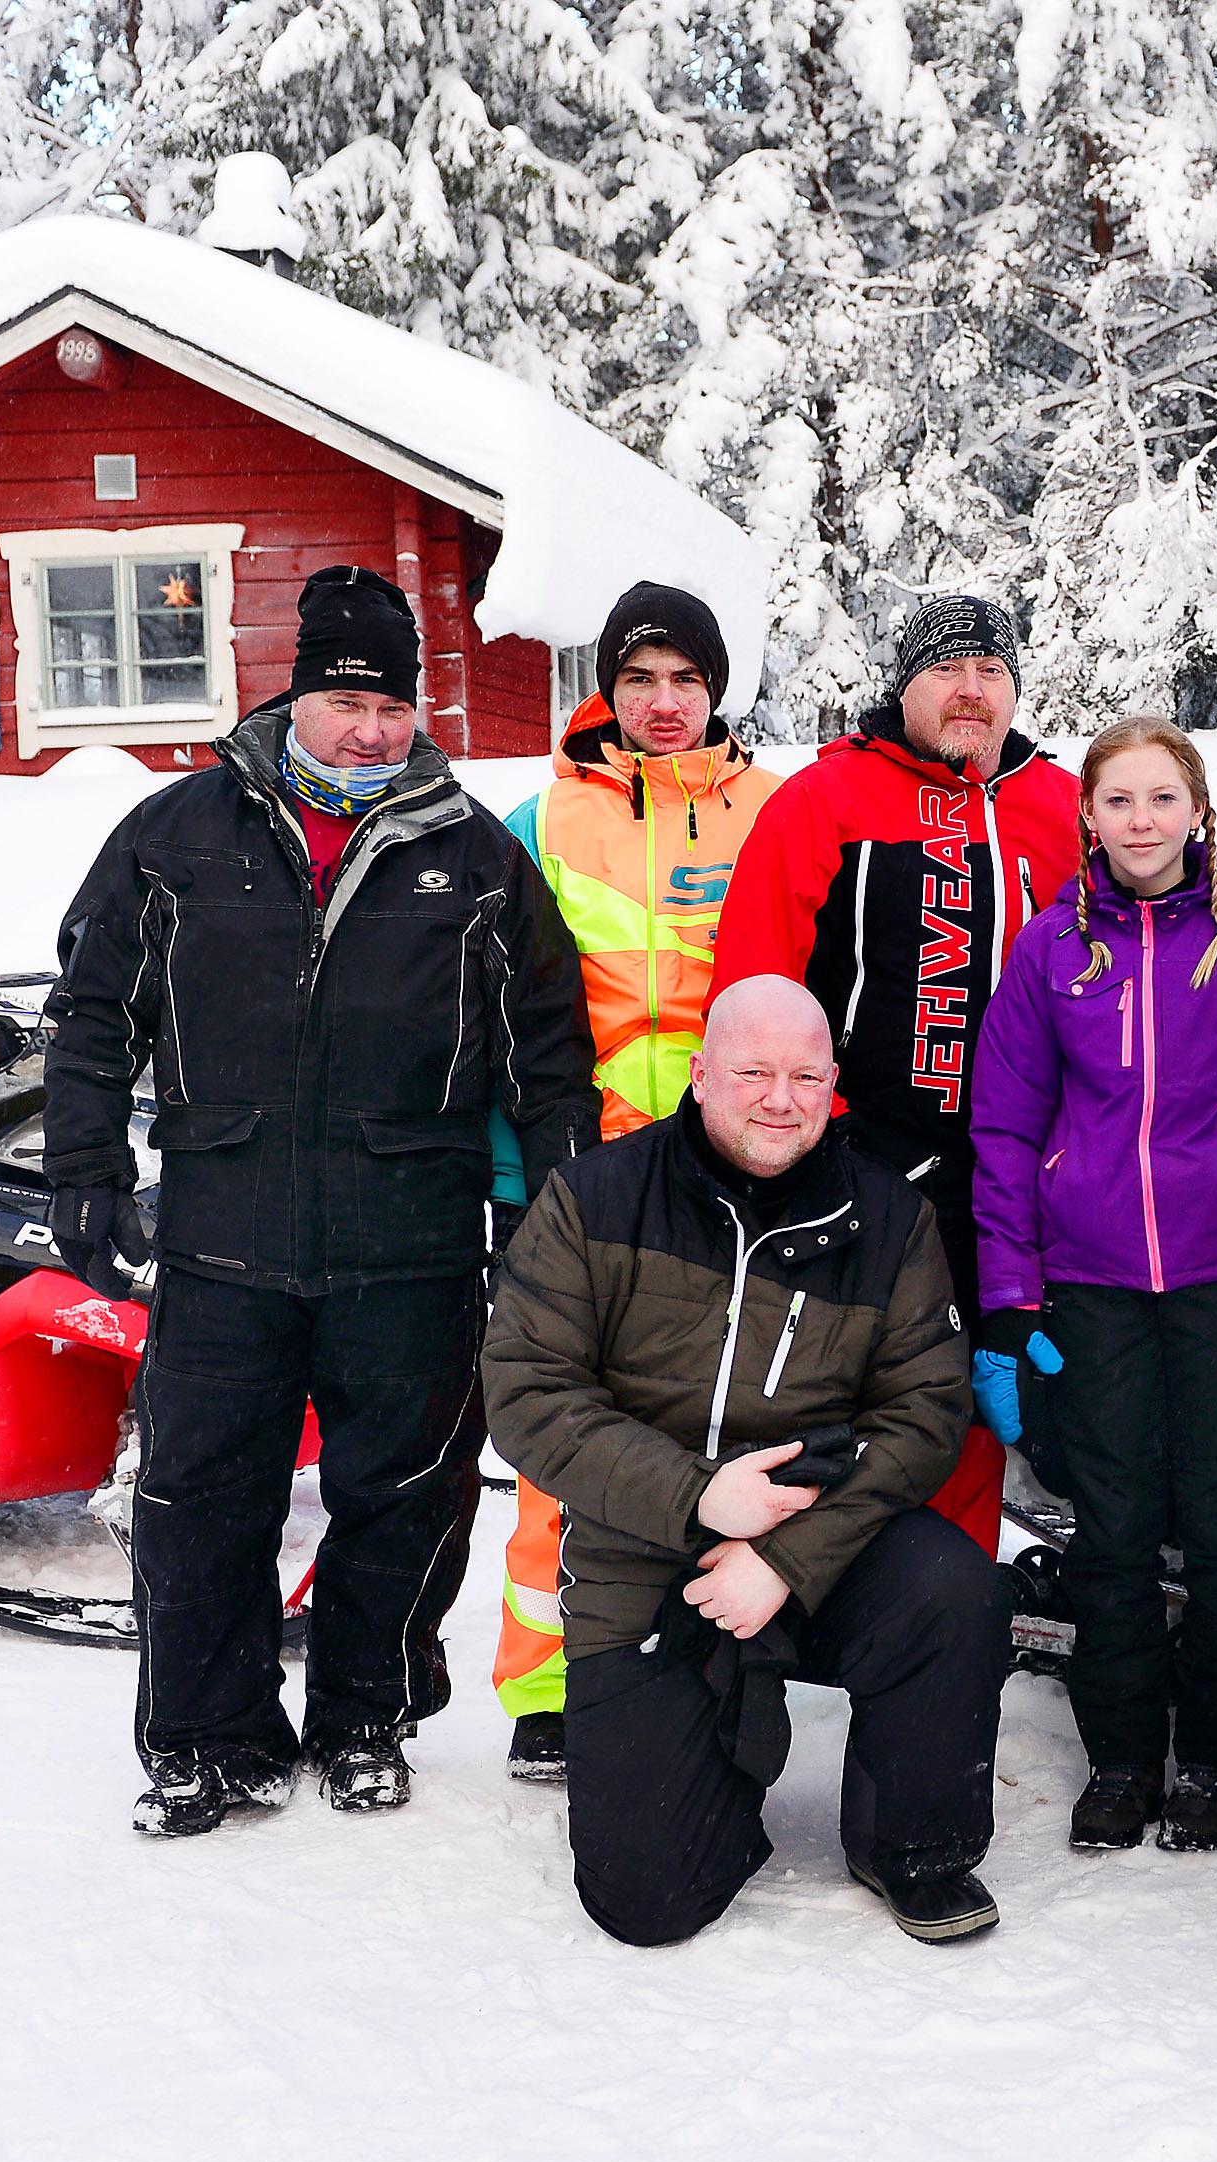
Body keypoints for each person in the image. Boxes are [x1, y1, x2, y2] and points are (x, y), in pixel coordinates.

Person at [43, 564, 599, 1838]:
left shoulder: (473, 857)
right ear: (295, 696)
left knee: (406, 1495)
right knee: (199, 1496)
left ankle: (364, 1718)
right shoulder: (178, 834)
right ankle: (204, 1733)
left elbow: (548, 1054)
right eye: (345, 698)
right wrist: (84, 1166)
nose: (368, 726)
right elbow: (88, 1015)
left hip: (408, 1240)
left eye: (390, 703)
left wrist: (544, 1220)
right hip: (225, 1236)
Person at [482, 975, 1011, 1947]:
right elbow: (526, 1390)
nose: (780, 1095)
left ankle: (913, 1846)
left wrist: (786, 1558)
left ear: (833, 1083)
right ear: (700, 1074)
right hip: (647, 1542)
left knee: (954, 1589)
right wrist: (699, 1499)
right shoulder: (595, 1197)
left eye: (806, 1074)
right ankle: (710, 1754)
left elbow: (927, 1409)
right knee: (646, 1901)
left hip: (814, 1531)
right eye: (754, 1071)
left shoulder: (889, 1222)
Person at [968, 716, 1217, 1854]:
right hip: (1091, 1286)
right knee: (1116, 1530)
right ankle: (1126, 1756)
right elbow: (1003, 1126)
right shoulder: (1047, 952)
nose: (1141, 821)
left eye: (1161, 799)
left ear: (1197, 812)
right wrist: (1008, 1297)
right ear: (1088, 815)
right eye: (1119, 801)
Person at [487, 581, 788, 1784]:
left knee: (737, 1423)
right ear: (605, 688)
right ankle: (552, 1683)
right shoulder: (542, 821)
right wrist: (520, 1178)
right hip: (591, 1177)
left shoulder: (776, 811)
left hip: (743, 1170)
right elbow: (501, 1018)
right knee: (571, 1432)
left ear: (718, 691)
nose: (664, 704)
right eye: (641, 679)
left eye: (687, 680)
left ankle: (722, 1650)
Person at [709, 594, 1082, 1552]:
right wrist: (801, 1136)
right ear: (903, 683)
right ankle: (810, 1593)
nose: (969, 689)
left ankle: (946, 1616)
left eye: (991, 671)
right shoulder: (828, 799)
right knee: (848, 1394)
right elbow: (756, 980)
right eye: (946, 668)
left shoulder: (1060, 802)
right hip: (862, 1162)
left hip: (1023, 1172)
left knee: (978, 1396)